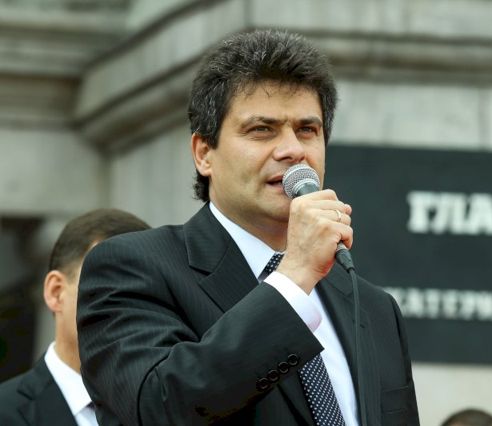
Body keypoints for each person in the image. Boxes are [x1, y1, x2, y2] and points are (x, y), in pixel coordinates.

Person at [76, 29, 419, 426]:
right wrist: (293, 278)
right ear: (204, 153)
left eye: (307, 130)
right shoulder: (131, 269)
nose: (293, 150)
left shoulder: (373, 307)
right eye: (262, 129)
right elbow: (159, 407)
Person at [0, 209, 150, 426]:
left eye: (146, 293)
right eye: (109, 285)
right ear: (56, 292)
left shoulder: (172, 410)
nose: (130, 306)